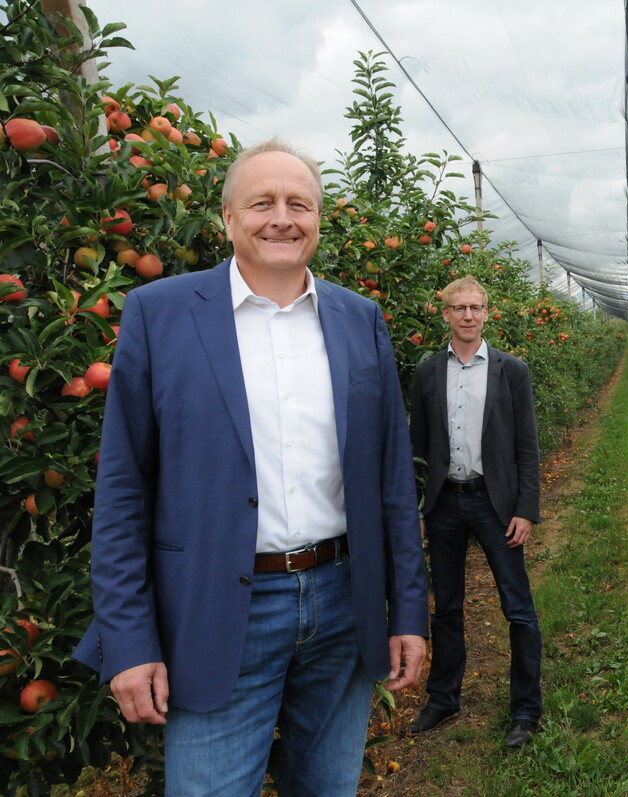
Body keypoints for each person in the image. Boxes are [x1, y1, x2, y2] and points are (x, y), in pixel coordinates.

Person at [74, 139, 429, 796]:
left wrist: (408, 610)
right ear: (228, 218)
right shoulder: (160, 314)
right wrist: (129, 640)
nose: (282, 219)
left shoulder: (360, 319)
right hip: (215, 607)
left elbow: (391, 483)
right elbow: (124, 490)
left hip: (342, 601)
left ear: (319, 219)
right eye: (262, 202)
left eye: (300, 204)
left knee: (326, 787)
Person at [406, 275, 543, 749]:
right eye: (459, 307)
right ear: (445, 314)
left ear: (487, 314)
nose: (468, 315)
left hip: (494, 502)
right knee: (446, 606)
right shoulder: (428, 372)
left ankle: (525, 710)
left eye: (476, 307)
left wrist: (526, 509)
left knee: (518, 608)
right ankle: (443, 698)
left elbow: (527, 445)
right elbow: (417, 448)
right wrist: (417, 508)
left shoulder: (512, 370)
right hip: (444, 502)